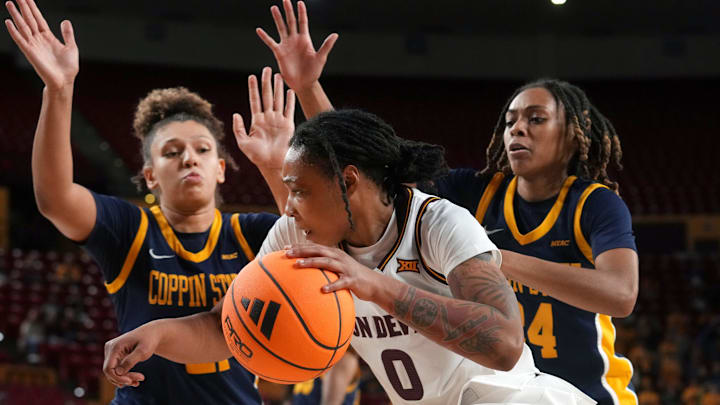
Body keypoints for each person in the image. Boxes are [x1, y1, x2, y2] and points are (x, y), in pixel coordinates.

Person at [255, 3, 639, 404]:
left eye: (536, 118)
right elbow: (366, 178)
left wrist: (489, 255)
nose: (517, 128)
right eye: (509, 121)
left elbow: (620, 294)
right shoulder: (473, 192)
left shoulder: (594, 204)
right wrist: (306, 88)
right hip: (484, 376)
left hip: (579, 387)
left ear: (574, 134)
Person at [103, 108, 594, 405]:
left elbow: (505, 344)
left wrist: (377, 285)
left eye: (299, 190)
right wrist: (157, 334)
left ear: (349, 182)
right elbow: (227, 326)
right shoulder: (296, 234)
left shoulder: (438, 223)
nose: (287, 204)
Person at [3, 0, 296, 403]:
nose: (189, 157)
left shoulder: (251, 233)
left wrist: (278, 166)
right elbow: (55, 198)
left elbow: (310, 244)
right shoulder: (130, 227)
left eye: (202, 149)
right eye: (172, 152)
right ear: (151, 174)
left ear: (221, 168)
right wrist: (59, 90)